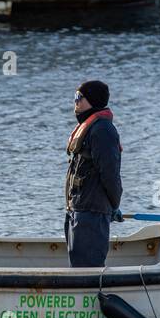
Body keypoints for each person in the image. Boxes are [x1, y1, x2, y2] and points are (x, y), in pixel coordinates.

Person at [65, 80, 123, 268]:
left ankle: (92, 298)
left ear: (93, 101)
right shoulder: (89, 128)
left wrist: (114, 205)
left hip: (92, 214)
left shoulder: (102, 130)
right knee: (78, 268)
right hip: (79, 212)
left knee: (87, 271)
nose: (75, 102)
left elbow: (110, 173)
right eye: (75, 97)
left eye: (79, 97)